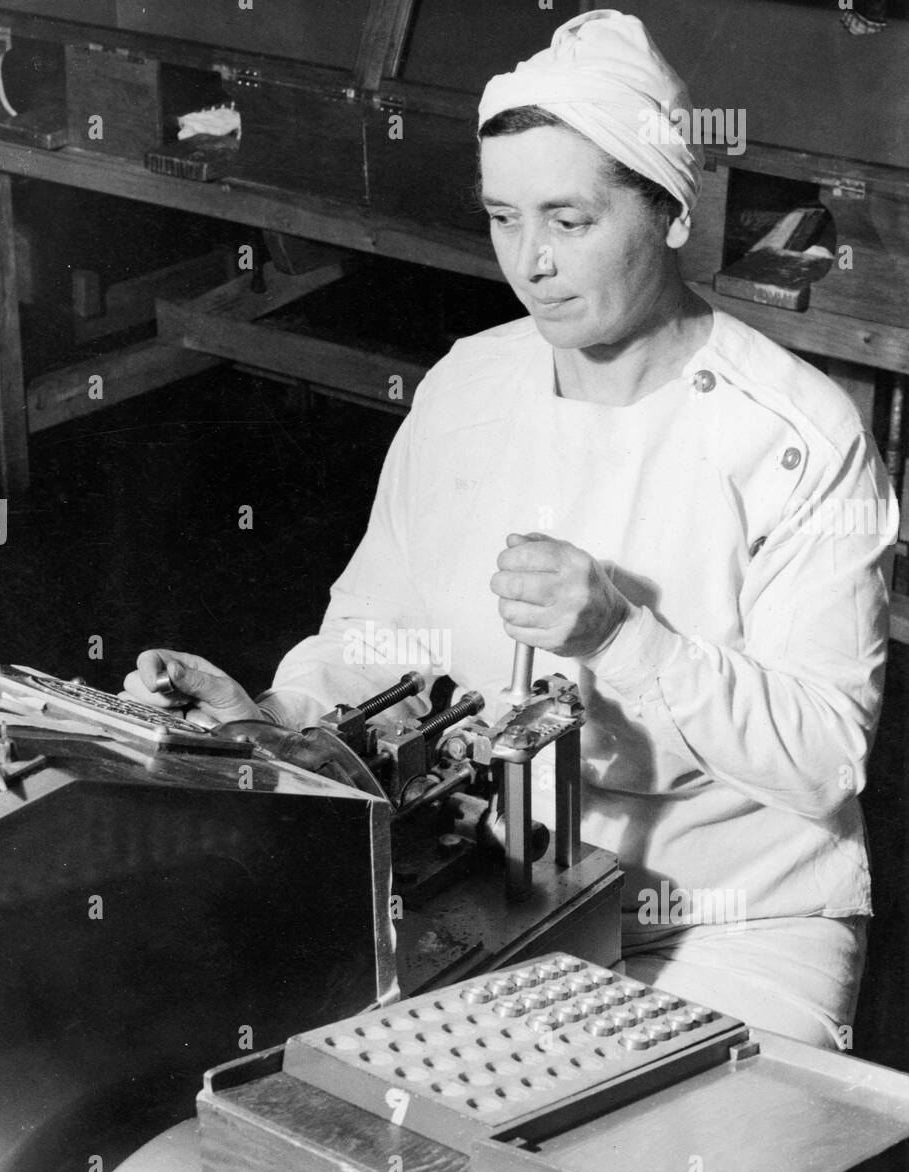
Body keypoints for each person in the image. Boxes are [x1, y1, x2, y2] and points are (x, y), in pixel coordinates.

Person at [124, 12, 897, 1050]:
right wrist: (269, 712)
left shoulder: (799, 434)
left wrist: (627, 637)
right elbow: (374, 639)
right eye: (503, 218)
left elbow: (824, 758)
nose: (530, 263)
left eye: (570, 222)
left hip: (735, 918)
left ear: (670, 211)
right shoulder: (467, 385)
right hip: (501, 884)